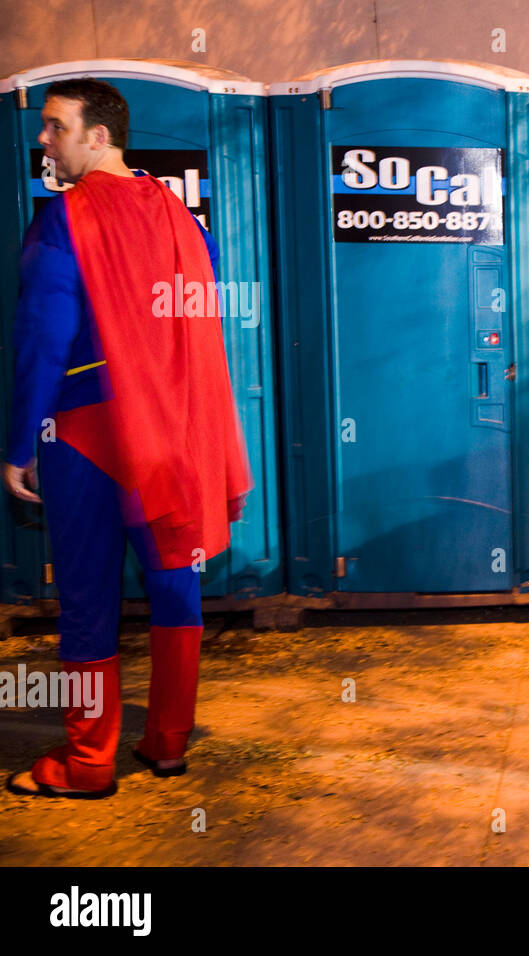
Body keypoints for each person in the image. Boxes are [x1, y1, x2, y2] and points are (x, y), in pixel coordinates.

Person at [3, 78, 251, 799]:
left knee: (86, 599)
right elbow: (195, 328)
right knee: (177, 581)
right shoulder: (181, 218)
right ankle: (169, 742)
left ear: (99, 136)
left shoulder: (61, 221)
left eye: (55, 128)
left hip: (85, 431)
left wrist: (19, 443)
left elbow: (42, 343)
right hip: (172, 430)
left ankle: (87, 764)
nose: (43, 140)